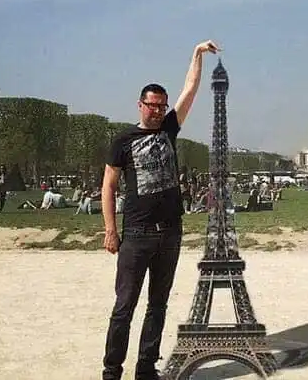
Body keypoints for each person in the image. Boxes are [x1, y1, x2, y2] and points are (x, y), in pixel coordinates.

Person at [101, 39, 220, 380]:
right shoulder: (122, 141)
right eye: (151, 105)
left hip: (170, 232)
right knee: (124, 307)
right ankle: (112, 370)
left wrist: (196, 53)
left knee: (157, 305)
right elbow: (108, 186)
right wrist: (110, 230)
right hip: (136, 234)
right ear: (140, 105)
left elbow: (190, 88)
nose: (156, 110)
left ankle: (145, 368)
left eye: (161, 106)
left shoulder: (169, 129)